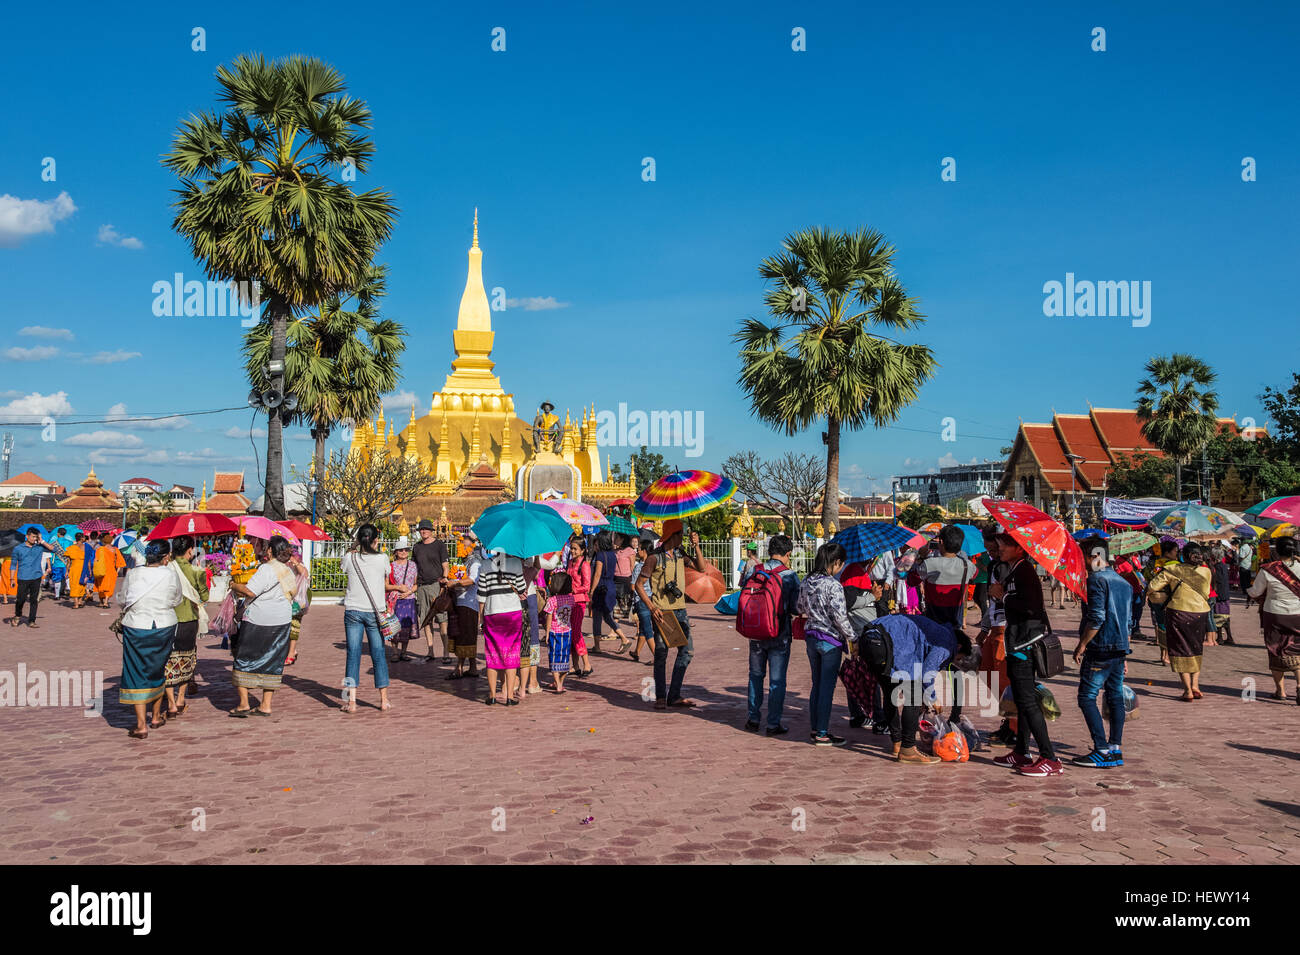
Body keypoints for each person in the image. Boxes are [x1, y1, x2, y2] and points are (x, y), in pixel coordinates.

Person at [989, 533, 1062, 777]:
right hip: (1016, 640)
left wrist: (1004, 596)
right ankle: (1021, 751)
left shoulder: (1025, 571)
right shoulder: (1015, 570)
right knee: (1021, 700)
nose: (999, 550)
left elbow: (1031, 605)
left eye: (1003, 547)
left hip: (1025, 644)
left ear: (1018, 549)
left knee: (1029, 701)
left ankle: (1049, 757)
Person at [1071, 537, 1132, 768]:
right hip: (1118, 646)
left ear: (1095, 556)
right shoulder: (1122, 581)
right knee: (1114, 696)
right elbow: (1128, 621)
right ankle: (1115, 748)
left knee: (1087, 697)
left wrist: (1082, 644)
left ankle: (1101, 749)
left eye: (1084, 556)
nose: (1082, 562)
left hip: (1101, 646)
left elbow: (1097, 618)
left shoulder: (1096, 580)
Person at [870, 613, 960, 763]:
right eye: (959, 659)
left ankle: (897, 743)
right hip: (885, 642)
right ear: (960, 647)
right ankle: (908, 749)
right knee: (914, 694)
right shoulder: (947, 642)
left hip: (870, 636)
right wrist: (932, 698)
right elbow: (927, 672)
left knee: (890, 693)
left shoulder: (933, 630)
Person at [635, 519, 706, 710]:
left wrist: (696, 546)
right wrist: (651, 607)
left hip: (680, 611)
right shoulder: (654, 558)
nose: (682, 537)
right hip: (662, 612)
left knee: (686, 651)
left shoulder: (680, 555)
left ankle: (674, 694)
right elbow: (639, 585)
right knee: (661, 654)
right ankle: (660, 696)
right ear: (671, 535)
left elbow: (702, 568)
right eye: (680, 534)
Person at [118, 540, 183, 738]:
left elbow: (122, 600)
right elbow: (177, 599)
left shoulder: (134, 574)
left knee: (135, 670)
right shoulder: (171, 573)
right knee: (158, 669)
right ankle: (155, 717)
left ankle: (141, 724)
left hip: (137, 625)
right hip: (164, 624)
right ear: (166, 557)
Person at [229, 537, 298, 717]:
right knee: (273, 660)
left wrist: (234, 585)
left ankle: (244, 703)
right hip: (282, 620)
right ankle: (265, 704)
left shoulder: (266, 569)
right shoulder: (288, 571)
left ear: (270, 551)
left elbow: (251, 591)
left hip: (259, 620)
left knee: (243, 657)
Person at [796, 541, 856, 746]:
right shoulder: (833, 585)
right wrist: (852, 636)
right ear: (836, 562)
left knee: (817, 685)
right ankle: (821, 731)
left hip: (812, 637)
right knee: (826, 688)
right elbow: (840, 617)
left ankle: (816, 728)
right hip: (830, 640)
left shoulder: (806, 581)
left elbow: (799, 606)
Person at [743, 533, 800, 736]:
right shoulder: (789, 576)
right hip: (779, 632)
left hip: (756, 631)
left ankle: (753, 718)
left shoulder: (755, 570)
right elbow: (795, 607)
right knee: (776, 681)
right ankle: (773, 723)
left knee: (755, 676)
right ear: (787, 553)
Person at [336, 524, 395, 713]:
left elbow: (342, 567)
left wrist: (355, 547)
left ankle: (351, 701)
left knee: (352, 654)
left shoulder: (349, 557)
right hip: (374, 612)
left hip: (353, 610)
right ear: (376, 539)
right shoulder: (383, 559)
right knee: (378, 654)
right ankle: (384, 700)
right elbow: (386, 576)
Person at [1147, 542, 1214, 701]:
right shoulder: (1206, 571)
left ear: (1183, 555)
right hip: (1200, 613)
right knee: (1196, 648)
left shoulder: (1172, 570)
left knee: (1180, 649)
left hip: (1178, 612)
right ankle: (1196, 685)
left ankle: (1187, 690)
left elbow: (1151, 586)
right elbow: (1206, 592)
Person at [1248, 535, 1300, 704]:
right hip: (1298, 614)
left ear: (1276, 551)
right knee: (1298, 650)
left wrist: (1248, 591)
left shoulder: (1268, 569)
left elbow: (1255, 592)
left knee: (1276, 650)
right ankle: (1299, 685)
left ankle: (1281, 691)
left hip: (1275, 614)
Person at [164, 535, 209, 718]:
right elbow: (204, 597)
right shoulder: (197, 571)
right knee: (186, 658)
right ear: (190, 550)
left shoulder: (165, 569)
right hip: (188, 619)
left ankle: (170, 703)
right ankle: (180, 699)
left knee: (166, 660)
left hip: (166, 620)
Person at [478, 548, 527, 705]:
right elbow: (521, 588)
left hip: (492, 612)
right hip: (512, 612)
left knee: (492, 653)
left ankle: (492, 695)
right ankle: (510, 696)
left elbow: (481, 595)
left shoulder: (485, 565)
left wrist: (480, 619)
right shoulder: (516, 564)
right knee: (512, 653)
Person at [908, 526, 977, 627]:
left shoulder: (929, 564)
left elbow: (911, 580)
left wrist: (921, 557)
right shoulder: (967, 565)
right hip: (956, 618)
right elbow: (975, 575)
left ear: (941, 542)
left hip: (933, 618)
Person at [411, 519, 450, 664]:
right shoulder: (417, 547)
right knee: (426, 619)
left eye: (426, 529)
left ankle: (446, 652)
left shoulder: (439, 545)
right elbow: (414, 568)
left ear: (431, 530)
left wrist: (445, 578)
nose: (423, 531)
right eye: (421, 529)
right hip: (422, 586)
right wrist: (413, 586)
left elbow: (445, 565)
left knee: (442, 620)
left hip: (436, 585)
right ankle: (430, 650)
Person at [8, 527, 62, 628]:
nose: (34, 539)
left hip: (36, 577)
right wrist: (11, 579)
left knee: (34, 600)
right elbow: (13, 564)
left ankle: (32, 620)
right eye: (33, 537)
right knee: (20, 599)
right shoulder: (18, 549)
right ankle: (17, 615)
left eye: (36, 537)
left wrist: (42, 541)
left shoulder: (39, 547)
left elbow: (54, 549)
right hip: (23, 577)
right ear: (27, 536)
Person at [449, 531, 484, 680]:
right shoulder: (462, 561)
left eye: (466, 540)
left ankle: (460, 667)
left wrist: (455, 583)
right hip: (460, 601)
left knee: (466, 636)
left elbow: (472, 580)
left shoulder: (475, 562)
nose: (463, 542)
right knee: (463, 635)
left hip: (469, 603)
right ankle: (472, 667)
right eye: (463, 540)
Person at [589, 530, 631, 652]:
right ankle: (624, 638)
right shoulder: (612, 554)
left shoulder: (600, 555)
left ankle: (597, 646)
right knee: (608, 617)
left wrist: (591, 591)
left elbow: (597, 574)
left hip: (601, 588)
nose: (595, 546)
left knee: (597, 617)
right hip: (610, 586)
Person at [386, 537, 419, 663]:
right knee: (394, 626)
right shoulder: (390, 567)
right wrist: (398, 587)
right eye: (400, 550)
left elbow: (416, 584)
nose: (403, 552)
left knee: (406, 627)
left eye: (406, 550)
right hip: (395, 600)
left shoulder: (413, 565)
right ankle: (395, 652)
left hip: (409, 599)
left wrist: (409, 592)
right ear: (395, 552)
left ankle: (404, 652)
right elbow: (386, 585)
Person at [1147, 541, 1181, 664]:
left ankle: (1163, 654)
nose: (1176, 554)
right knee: (1170, 626)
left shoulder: (1155, 563)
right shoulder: (1175, 565)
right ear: (1167, 552)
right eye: (1175, 551)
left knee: (1161, 624)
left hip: (1155, 598)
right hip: (1170, 598)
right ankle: (1167, 654)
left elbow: (1147, 577)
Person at [543, 570, 576, 693]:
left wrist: (546, 633)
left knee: (554, 658)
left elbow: (549, 617)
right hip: (567, 631)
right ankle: (560, 683)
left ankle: (557, 684)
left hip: (554, 632)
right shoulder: (571, 600)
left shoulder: (552, 600)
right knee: (565, 658)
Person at [567, 537, 594, 673]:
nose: (572, 551)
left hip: (579, 602)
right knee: (571, 632)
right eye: (571, 548)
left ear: (582, 550)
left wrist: (574, 590)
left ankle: (587, 664)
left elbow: (586, 586)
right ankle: (575, 665)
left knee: (576, 633)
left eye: (575, 549)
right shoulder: (570, 562)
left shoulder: (585, 565)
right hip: (569, 601)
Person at [629, 535, 656, 663]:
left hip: (641, 600)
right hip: (651, 599)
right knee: (645, 628)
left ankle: (657, 656)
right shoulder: (653, 564)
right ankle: (637, 652)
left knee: (647, 629)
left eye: (639, 549)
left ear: (644, 551)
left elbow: (633, 586)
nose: (637, 551)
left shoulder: (639, 566)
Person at [1209, 544, 1235, 646]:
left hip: (1220, 595)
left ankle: (1221, 637)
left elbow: (1217, 582)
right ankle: (1226, 637)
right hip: (1224, 594)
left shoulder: (1217, 567)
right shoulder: (1223, 566)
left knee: (1219, 617)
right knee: (1224, 617)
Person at [92, 537, 126, 608]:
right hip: (111, 571)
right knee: (109, 587)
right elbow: (120, 562)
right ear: (111, 541)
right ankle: (106, 602)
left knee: (101, 585)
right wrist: (117, 572)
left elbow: (96, 560)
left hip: (101, 570)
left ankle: (101, 602)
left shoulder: (100, 549)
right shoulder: (115, 550)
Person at [613, 533, 637, 619]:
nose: (615, 539)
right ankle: (615, 628)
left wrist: (633, 582)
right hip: (615, 579)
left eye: (617, 537)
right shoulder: (614, 551)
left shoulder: (630, 551)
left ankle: (615, 629)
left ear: (622, 539)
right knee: (616, 605)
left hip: (625, 580)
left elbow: (632, 567)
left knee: (624, 605)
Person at [1238, 538, 1256, 605]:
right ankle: (1248, 590)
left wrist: (1239, 562)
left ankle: (1244, 591)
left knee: (1243, 579)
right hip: (1248, 565)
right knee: (1248, 578)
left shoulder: (1243, 547)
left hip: (1243, 565)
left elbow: (1241, 556)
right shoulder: (1250, 548)